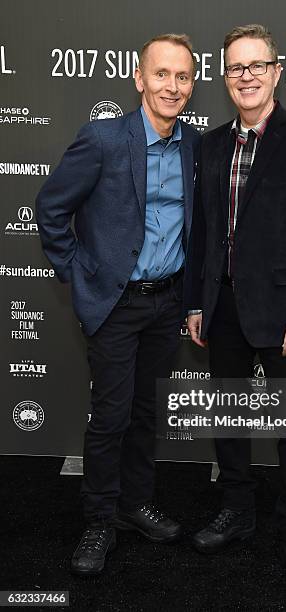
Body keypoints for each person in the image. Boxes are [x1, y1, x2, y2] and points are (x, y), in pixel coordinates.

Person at [36, 33, 200, 576]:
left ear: (191, 85)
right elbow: (51, 208)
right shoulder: (103, 139)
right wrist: (78, 276)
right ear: (140, 78)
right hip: (114, 304)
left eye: (182, 77)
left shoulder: (194, 145)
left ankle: (134, 504)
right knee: (110, 416)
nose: (171, 86)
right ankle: (100, 519)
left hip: (166, 304)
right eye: (161, 74)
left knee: (146, 414)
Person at [185, 24, 286, 591]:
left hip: (283, 314)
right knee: (227, 415)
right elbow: (205, 233)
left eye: (256, 65)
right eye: (234, 68)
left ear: (276, 71)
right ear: (225, 78)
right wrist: (198, 302)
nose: (245, 76)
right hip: (222, 306)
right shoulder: (212, 143)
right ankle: (237, 511)